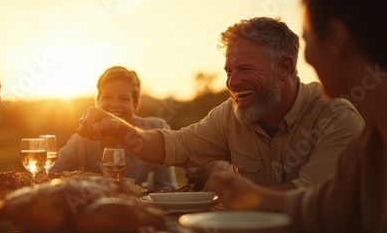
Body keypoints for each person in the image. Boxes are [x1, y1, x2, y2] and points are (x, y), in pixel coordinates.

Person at [205, 0, 387, 233]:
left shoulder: (343, 119)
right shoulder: (372, 143)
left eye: (306, 36)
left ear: (336, 37)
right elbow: (324, 209)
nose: (306, 54)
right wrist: (250, 196)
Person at [77, 17, 364, 190]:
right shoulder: (229, 115)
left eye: (245, 69)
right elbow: (173, 145)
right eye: (229, 71)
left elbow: (310, 195)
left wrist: (241, 195)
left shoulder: (336, 117)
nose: (233, 82)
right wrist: (117, 128)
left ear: (284, 68)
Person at [52, 66, 178, 191]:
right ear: (97, 103)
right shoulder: (81, 140)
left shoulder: (155, 128)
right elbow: (51, 174)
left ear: (135, 104)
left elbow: (167, 186)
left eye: (124, 98)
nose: (115, 104)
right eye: (107, 97)